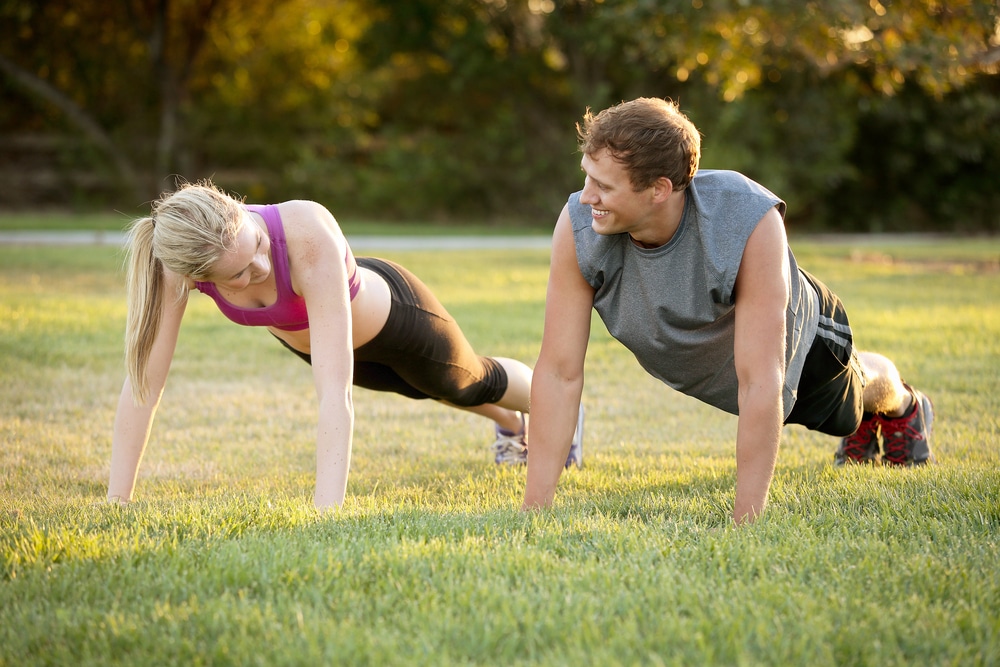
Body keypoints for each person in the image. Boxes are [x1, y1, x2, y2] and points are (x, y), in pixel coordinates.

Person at [522, 98, 935, 524]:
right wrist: (534, 513)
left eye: (604, 187)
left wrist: (746, 522)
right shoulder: (579, 225)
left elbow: (761, 380)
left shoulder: (746, 218)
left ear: (659, 189)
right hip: (722, 364)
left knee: (849, 401)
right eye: (588, 178)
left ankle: (906, 405)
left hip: (805, 342)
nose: (586, 197)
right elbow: (558, 372)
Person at [108, 180, 580, 511]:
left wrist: (325, 513)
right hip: (320, 343)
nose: (260, 266)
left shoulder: (305, 231)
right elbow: (145, 383)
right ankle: (509, 425)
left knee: (471, 382)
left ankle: (561, 413)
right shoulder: (176, 265)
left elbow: (334, 397)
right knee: (425, 391)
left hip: (398, 319)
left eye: (256, 245)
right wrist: (117, 500)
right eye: (239, 274)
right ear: (198, 278)